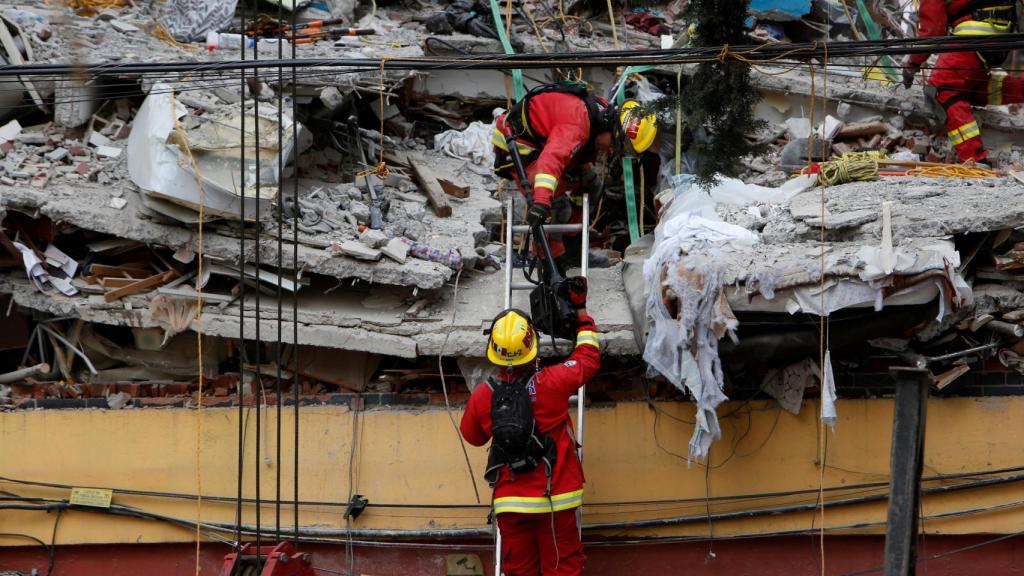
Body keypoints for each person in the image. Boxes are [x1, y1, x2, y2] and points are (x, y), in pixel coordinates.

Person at [460, 277, 599, 576]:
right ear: (532, 347)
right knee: (562, 568)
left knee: (519, 571)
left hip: (511, 502)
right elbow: (587, 358)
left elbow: (472, 437)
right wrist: (581, 313)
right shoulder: (551, 383)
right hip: (556, 497)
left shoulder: (484, 394)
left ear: (493, 349)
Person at [492, 83, 657, 269]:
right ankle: (548, 261)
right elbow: (551, 160)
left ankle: (572, 249)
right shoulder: (576, 124)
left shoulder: (601, 113)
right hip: (520, 145)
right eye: (617, 145)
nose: (612, 152)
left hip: (545, 141)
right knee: (556, 205)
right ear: (611, 127)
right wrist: (541, 201)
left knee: (591, 185)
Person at [903, 0, 1022, 163]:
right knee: (972, 87)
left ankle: (975, 158)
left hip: (974, 35)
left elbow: (933, 31)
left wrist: (912, 62)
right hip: (1001, 37)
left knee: (941, 89)